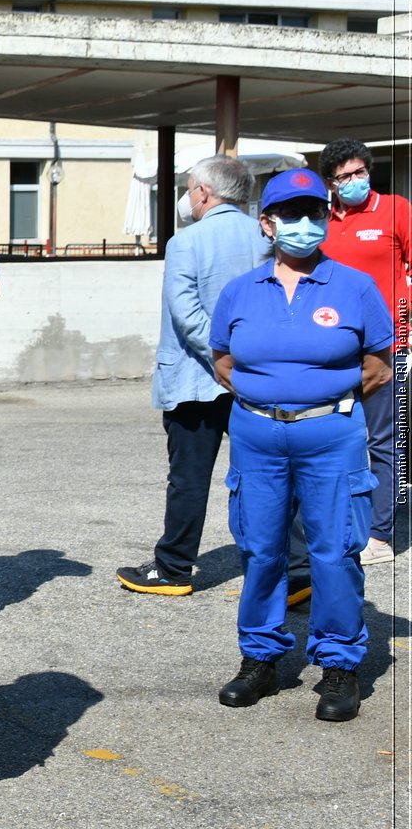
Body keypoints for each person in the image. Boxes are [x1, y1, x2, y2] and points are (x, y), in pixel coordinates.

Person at [210, 169, 392, 723]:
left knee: (334, 551)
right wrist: (270, 401)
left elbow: (379, 365)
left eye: (314, 212)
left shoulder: (355, 286)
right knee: (261, 548)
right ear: (267, 223)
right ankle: (260, 659)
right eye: (290, 214)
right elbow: (222, 360)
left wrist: (320, 400)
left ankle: (339, 665)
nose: (304, 224)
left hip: (331, 437)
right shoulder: (240, 291)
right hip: (256, 436)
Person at [117, 156, 271, 596]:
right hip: (257, 378)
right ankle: (293, 570)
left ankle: (173, 568)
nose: (188, 197)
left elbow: (188, 317)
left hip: (197, 379)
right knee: (267, 475)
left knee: (189, 477)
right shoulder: (264, 236)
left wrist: (226, 359)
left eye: (189, 188)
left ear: (204, 192)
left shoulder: (187, 242)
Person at [320, 139, 411, 567]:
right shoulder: (322, 223)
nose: (354, 182)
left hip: (389, 348)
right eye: (344, 177)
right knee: (336, 437)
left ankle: (381, 534)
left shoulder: (396, 209)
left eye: (359, 173)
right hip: (336, 350)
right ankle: (344, 519)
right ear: (330, 183)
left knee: (384, 441)